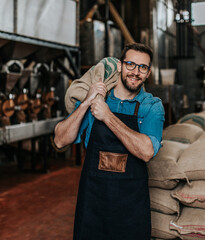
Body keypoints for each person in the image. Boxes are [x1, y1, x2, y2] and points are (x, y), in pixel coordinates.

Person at [54, 43, 165, 240]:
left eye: (142, 67)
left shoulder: (152, 106)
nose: (135, 72)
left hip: (131, 207)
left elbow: (146, 151)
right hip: (93, 204)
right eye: (130, 64)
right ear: (120, 66)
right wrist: (87, 102)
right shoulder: (96, 99)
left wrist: (107, 116)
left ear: (148, 74)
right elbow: (61, 140)